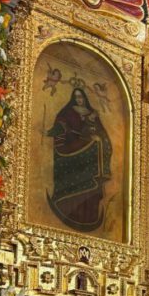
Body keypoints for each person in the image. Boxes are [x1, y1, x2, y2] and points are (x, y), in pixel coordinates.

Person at [46, 87, 112, 233]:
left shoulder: (93, 114)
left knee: (91, 191)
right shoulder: (66, 113)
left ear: (85, 98)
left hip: (90, 158)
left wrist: (99, 139)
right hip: (73, 154)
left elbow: (103, 135)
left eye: (81, 97)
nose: (79, 100)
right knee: (78, 185)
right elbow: (61, 132)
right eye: (76, 97)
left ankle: (89, 217)